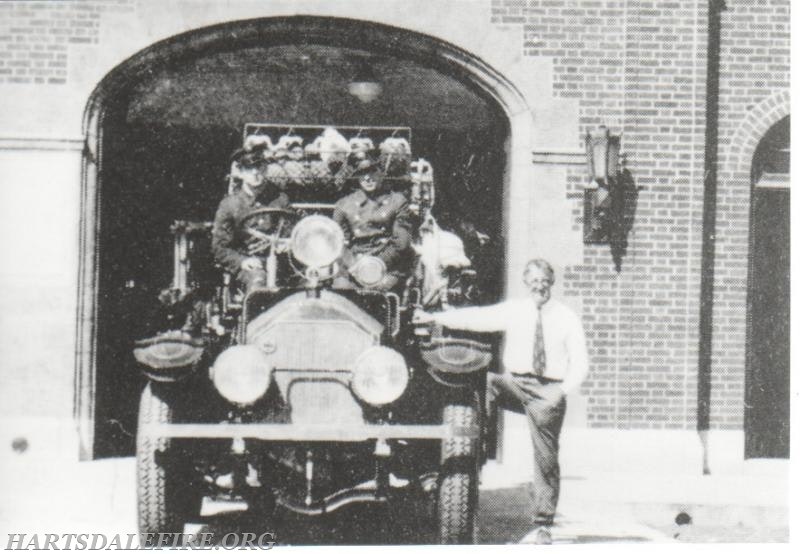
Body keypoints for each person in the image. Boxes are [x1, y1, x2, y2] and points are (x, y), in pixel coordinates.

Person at [413, 259, 588, 545]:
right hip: (515, 383)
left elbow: (581, 363)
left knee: (546, 459)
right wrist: (436, 318)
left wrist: (562, 391)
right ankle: (478, 442)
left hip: (548, 391)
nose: (539, 286)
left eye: (544, 281)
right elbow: (478, 317)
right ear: (525, 282)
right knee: (484, 381)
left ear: (551, 283)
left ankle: (543, 525)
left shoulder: (567, 317)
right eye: (533, 281)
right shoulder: (516, 310)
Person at [212, 145, 290, 291]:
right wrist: (242, 261)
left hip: (281, 262)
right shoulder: (230, 205)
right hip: (250, 264)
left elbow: (291, 232)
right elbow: (219, 247)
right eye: (248, 168)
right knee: (258, 282)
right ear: (240, 173)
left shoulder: (280, 199)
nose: (255, 173)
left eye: (259, 167)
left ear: (265, 169)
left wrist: (287, 244)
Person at [332, 157, 414, 290]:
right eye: (362, 174)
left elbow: (402, 243)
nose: (368, 178)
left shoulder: (397, 202)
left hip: (387, 263)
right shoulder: (344, 205)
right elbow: (338, 244)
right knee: (342, 288)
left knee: (381, 289)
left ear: (381, 173)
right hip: (355, 263)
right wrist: (354, 265)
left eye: (372, 172)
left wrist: (376, 265)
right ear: (357, 178)